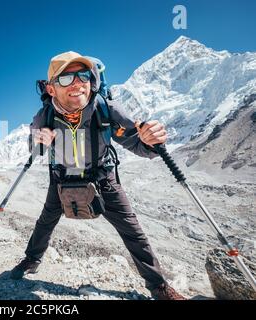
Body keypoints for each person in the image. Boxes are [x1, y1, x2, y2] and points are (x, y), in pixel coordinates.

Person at [10, 51, 186, 300]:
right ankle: (31, 259)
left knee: (132, 230)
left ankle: (158, 286)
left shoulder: (107, 109)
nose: (76, 83)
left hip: (103, 177)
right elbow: (35, 148)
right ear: (51, 89)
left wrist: (148, 141)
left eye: (82, 75)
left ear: (91, 81)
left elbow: (136, 143)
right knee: (45, 222)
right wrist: (39, 141)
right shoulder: (45, 116)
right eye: (65, 79)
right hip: (61, 178)